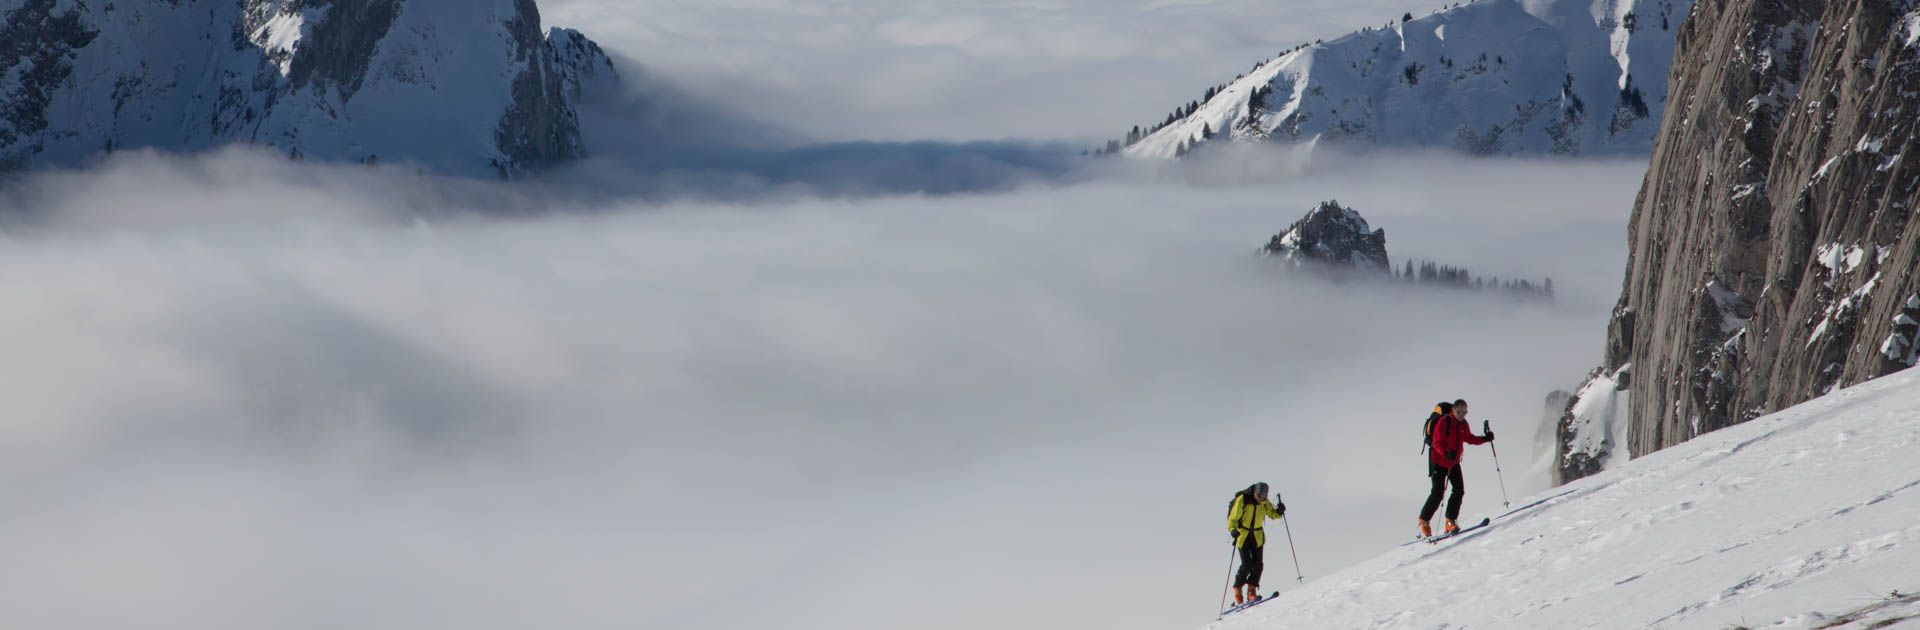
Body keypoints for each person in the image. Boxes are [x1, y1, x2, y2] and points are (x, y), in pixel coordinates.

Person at [1419, 399, 1494, 537]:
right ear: (1453, 409)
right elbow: (1436, 443)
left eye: (1464, 412)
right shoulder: (1444, 422)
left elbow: (1469, 438)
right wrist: (1445, 453)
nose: (1462, 415)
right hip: (1438, 462)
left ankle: (1450, 521)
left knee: (1459, 490)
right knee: (1438, 493)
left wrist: (1485, 439)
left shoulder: (1463, 424)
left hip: (1453, 462)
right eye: (1459, 412)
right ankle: (1424, 521)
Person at [1226, 482, 1286, 605]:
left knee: (1258, 564)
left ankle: (1251, 591)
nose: (1261, 498)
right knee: (1247, 564)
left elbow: (1272, 514)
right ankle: (1237, 588)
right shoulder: (1243, 500)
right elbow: (1232, 519)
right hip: (1243, 534)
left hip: (1257, 536)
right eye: (1259, 495)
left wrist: (1279, 511)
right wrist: (1233, 530)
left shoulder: (1264, 502)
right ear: (1254, 492)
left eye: (1263, 496)